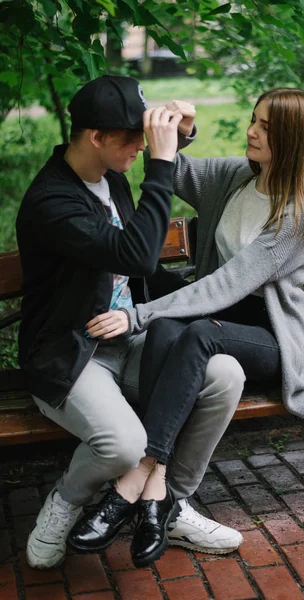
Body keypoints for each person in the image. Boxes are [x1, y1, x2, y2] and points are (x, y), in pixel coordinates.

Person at [77, 87, 304, 567]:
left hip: (269, 336)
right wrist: (181, 128)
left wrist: (136, 313)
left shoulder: (295, 211)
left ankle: (138, 474)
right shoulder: (240, 177)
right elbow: (171, 169)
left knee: (194, 331)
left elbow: (224, 287)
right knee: (167, 330)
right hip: (218, 316)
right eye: (253, 119)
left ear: (294, 141)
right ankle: (157, 496)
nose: (251, 131)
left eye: (265, 128)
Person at [17, 74, 244, 571]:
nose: (142, 147)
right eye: (132, 139)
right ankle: (66, 500)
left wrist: (181, 130)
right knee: (123, 445)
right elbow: (138, 255)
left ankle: (166, 504)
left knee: (224, 375)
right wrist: (161, 165)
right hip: (72, 354)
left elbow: (146, 277)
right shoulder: (53, 202)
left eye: (145, 136)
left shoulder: (110, 176)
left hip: (132, 338)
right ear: (96, 137)